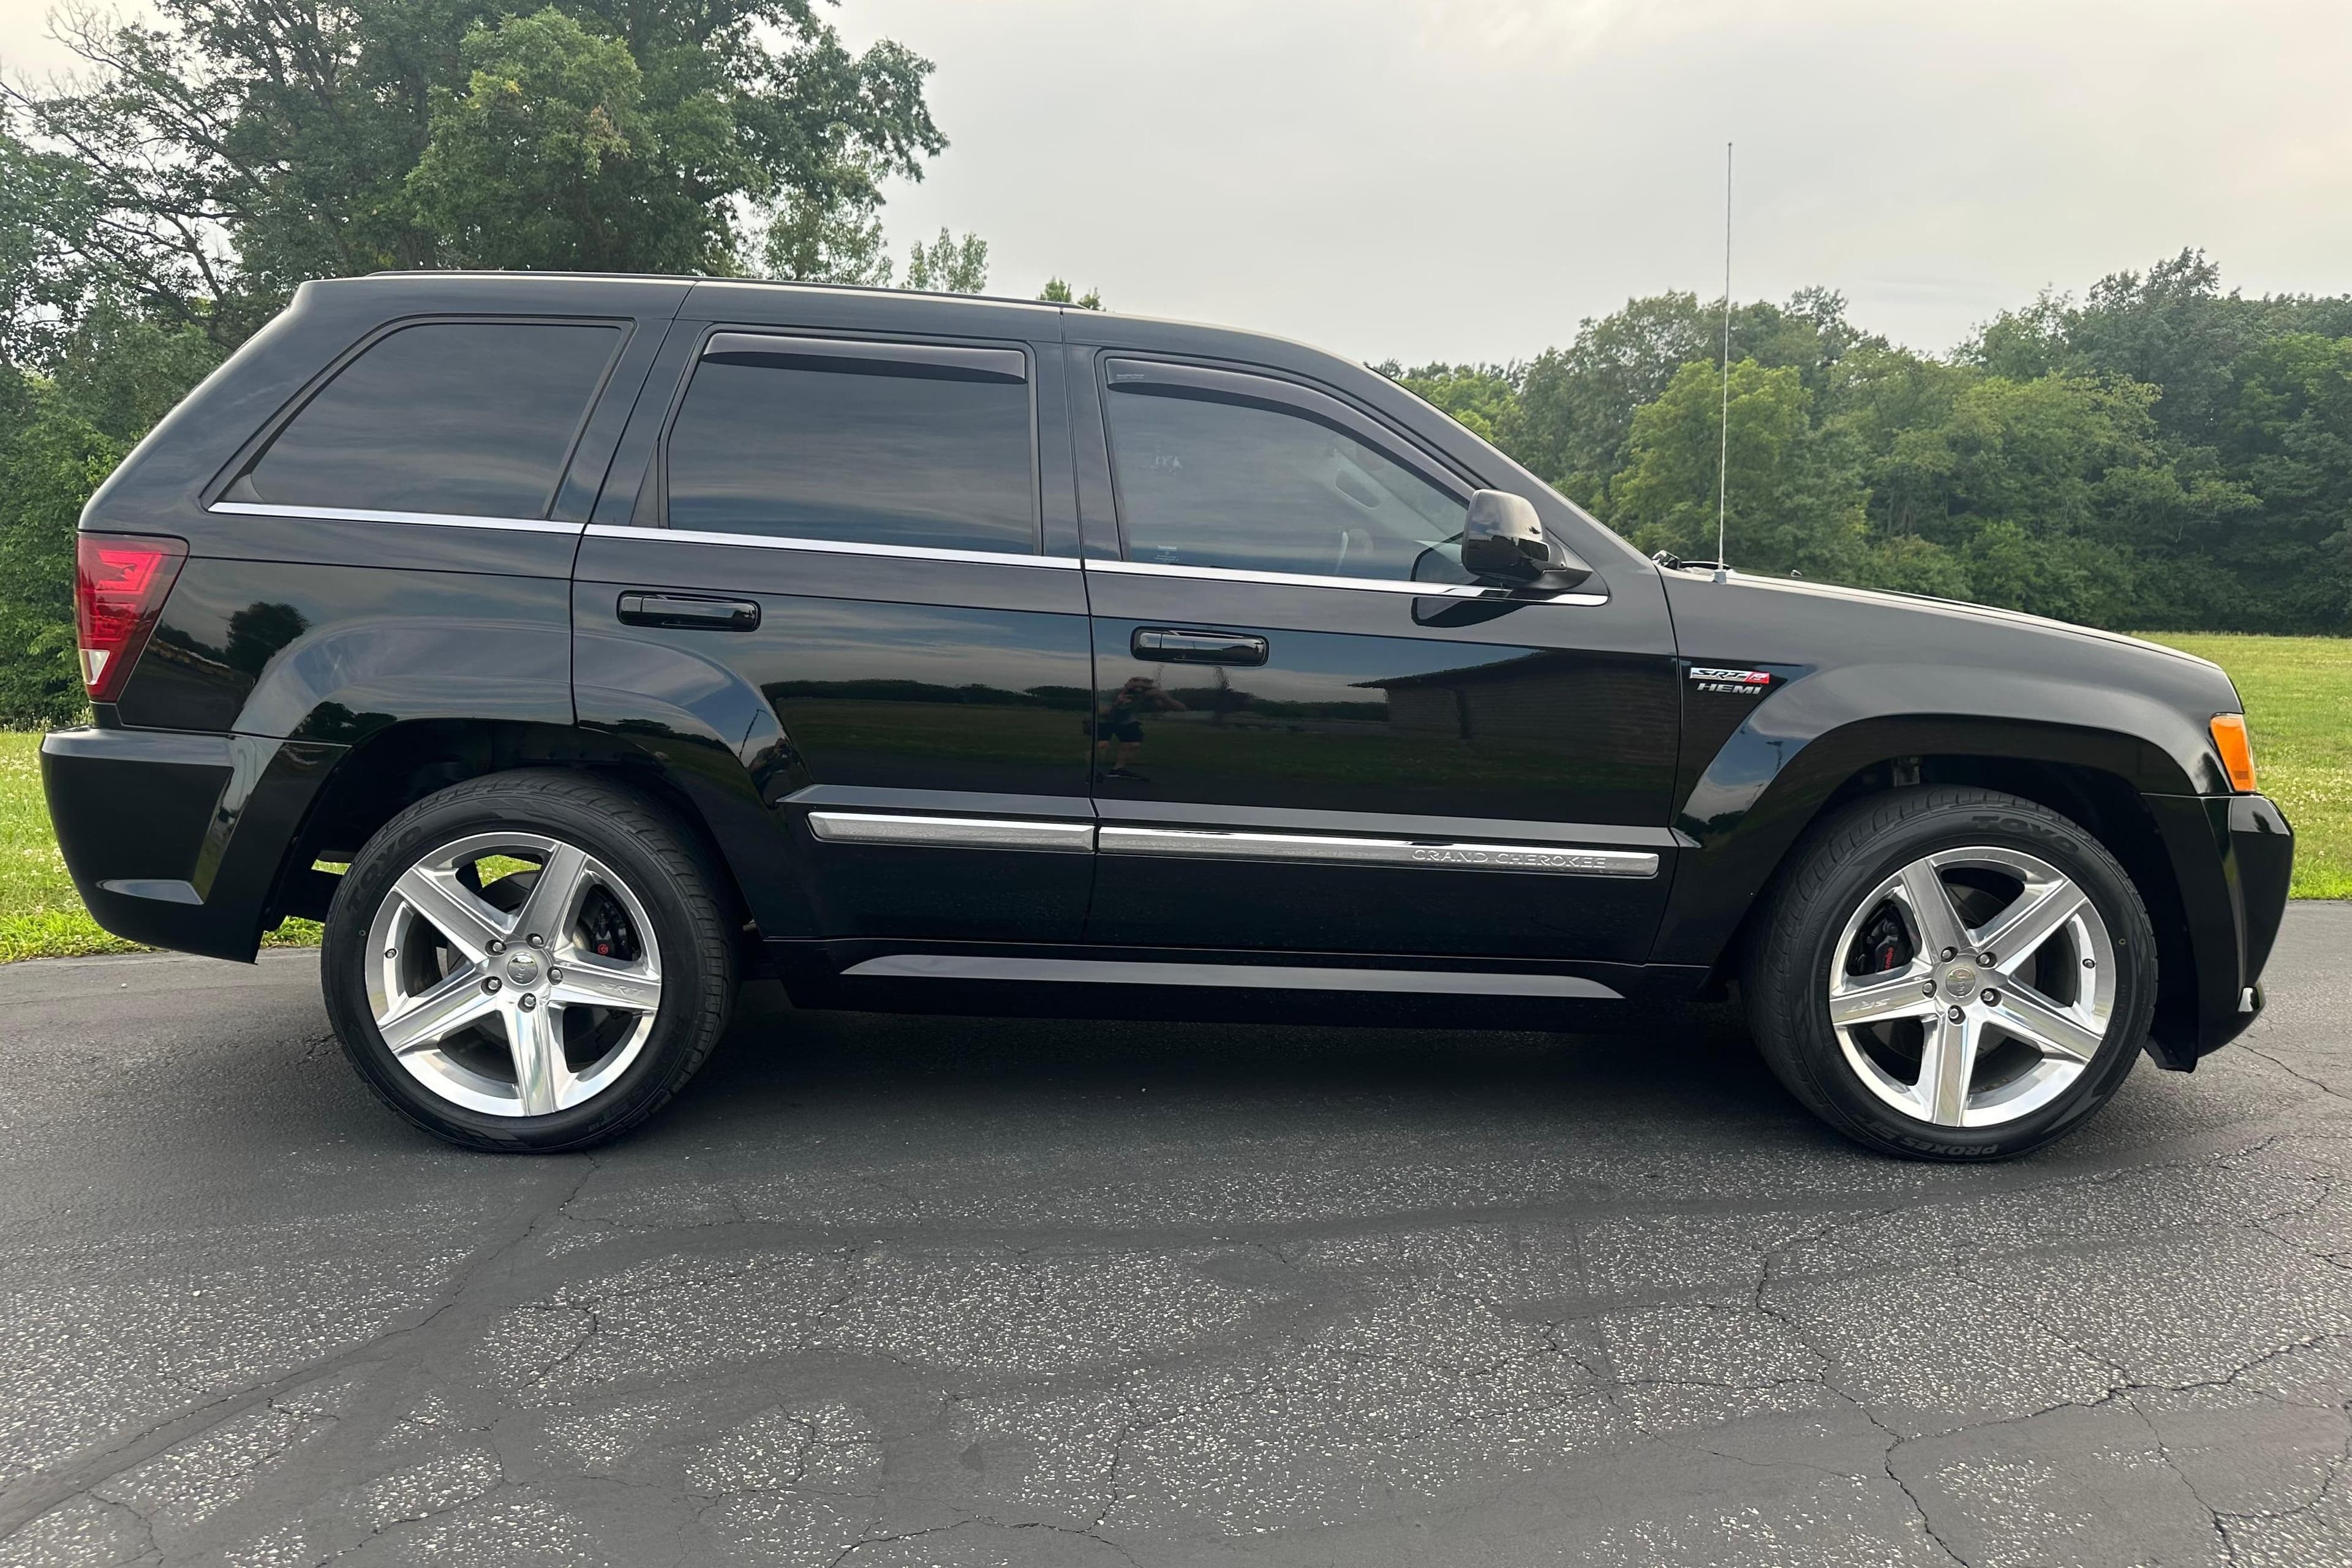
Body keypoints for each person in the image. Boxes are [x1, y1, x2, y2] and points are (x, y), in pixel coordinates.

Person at [1092, 675, 1185, 781]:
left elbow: (1181, 708)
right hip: (1103, 720)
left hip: (1126, 720)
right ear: (1127, 684)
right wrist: (1117, 704)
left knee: (1133, 743)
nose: (1139, 688)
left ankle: (1118, 770)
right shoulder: (1112, 693)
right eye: (1136, 682)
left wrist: (1164, 697)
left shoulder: (1149, 696)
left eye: (1145, 685)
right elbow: (1101, 712)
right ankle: (1092, 771)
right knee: (1102, 745)